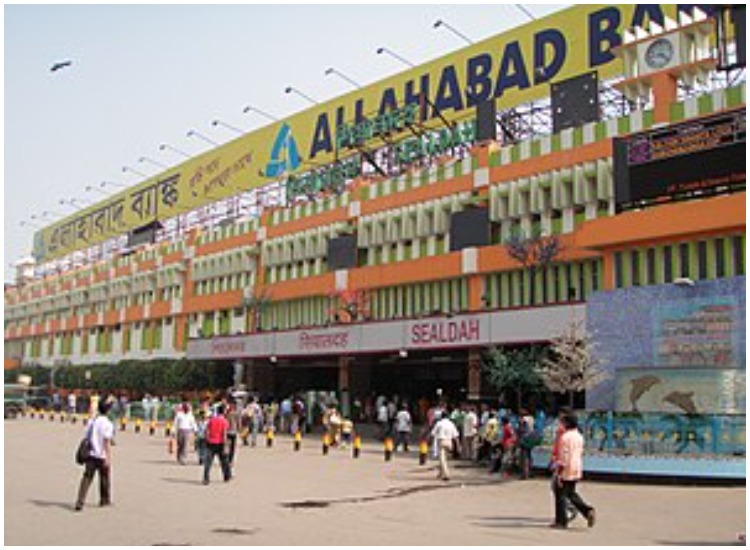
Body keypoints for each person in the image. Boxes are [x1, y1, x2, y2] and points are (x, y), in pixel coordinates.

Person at [551, 412, 596, 529]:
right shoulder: (579, 436)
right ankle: (587, 511)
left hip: (566, 467)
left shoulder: (565, 437)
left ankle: (561, 521)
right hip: (576, 466)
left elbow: (564, 455)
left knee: (560, 493)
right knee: (570, 493)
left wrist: (559, 471)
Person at [74, 400, 114, 511]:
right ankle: (104, 499)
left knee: (87, 478)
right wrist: (108, 457)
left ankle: (80, 501)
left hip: (90, 453)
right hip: (101, 455)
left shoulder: (93, 421)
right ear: (108, 410)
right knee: (104, 477)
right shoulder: (108, 424)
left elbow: (87, 435)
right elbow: (106, 442)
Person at [203, 404, 231, 485]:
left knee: (208, 462)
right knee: (224, 461)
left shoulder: (211, 420)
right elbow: (224, 434)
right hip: (220, 443)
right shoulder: (224, 421)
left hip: (210, 442)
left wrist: (207, 440)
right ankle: (227, 476)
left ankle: (206, 478)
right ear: (224, 412)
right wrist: (225, 444)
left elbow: (207, 431)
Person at [431, 412, 459, 481]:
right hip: (449, 442)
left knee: (442, 459)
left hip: (441, 441)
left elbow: (433, 433)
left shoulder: (439, 423)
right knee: (444, 458)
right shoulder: (451, 424)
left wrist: (430, 441)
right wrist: (458, 445)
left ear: (441, 416)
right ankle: (440, 473)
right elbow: (455, 436)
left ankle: (446, 474)